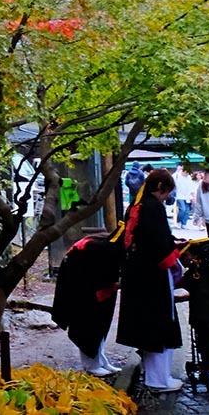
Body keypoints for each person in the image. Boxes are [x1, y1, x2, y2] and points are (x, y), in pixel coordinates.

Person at [115, 168, 183, 392]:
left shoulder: (136, 205)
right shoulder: (153, 207)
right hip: (153, 275)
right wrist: (177, 260)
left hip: (136, 274)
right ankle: (159, 379)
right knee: (160, 323)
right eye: (166, 193)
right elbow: (160, 242)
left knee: (146, 325)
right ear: (161, 188)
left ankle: (153, 375)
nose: (166, 198)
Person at [51, 234, 123, 376]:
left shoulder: (107, 246)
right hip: (83, 289)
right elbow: (95, 277)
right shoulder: (99, 249)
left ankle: (100, 360)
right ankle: (91, 364)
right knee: (88, 325)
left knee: (101, 324)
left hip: (93, 287)